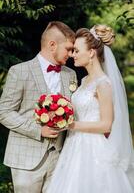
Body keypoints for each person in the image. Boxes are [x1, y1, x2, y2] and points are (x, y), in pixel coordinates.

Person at [47, 25, 134, 193]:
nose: (72, 55)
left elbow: (106, 125)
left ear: (92, 53)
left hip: (93, 150)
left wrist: (70, 125)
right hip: (73, 146)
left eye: (77, 51)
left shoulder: (103, 84)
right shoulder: (85, 80)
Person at [0, 21, 77, 193]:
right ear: (52, 45)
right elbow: (4, 112)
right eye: (68, 49)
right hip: (26, 158)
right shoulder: (19, 71)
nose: (71, 54)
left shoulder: (70, 75)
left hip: (60, 157)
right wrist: (38, 130)